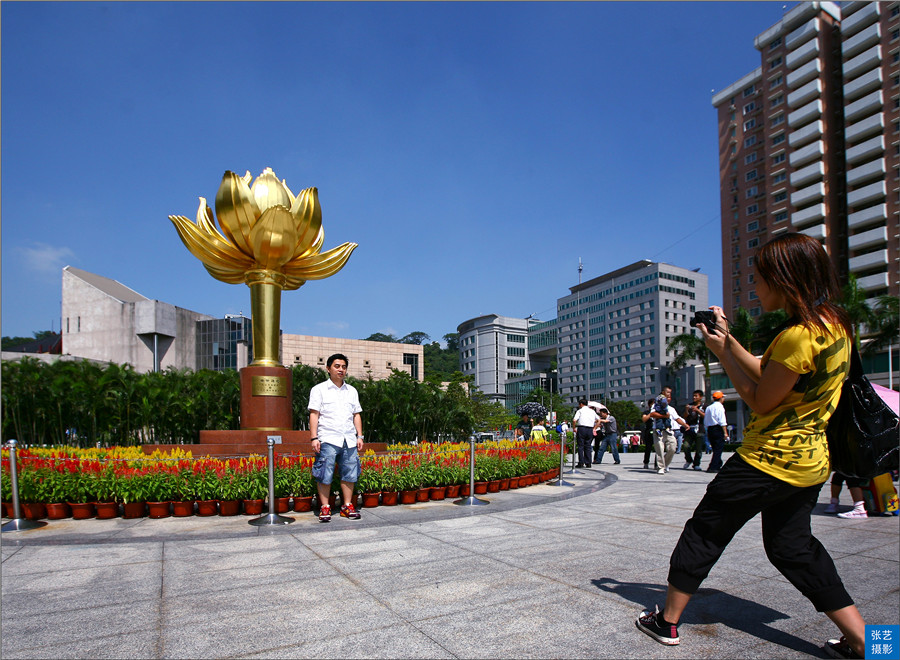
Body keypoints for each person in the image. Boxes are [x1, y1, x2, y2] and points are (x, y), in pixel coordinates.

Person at [635, 233, 866, 659]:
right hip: (811, 461)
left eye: (760, 278)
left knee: (705, 532)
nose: (755, 287)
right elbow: (768, 368)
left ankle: (666, 621)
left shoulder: (797, 335)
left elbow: (760, 398)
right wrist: (727, 343)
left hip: (765, 460)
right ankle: (869, 643)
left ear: (786, 279)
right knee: (793, 547)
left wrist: (722, 355)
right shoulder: (836, 324)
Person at [308, 353, 364, 522]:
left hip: (349, 438)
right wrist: (314, 438)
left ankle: (347, 506)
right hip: (328, 439)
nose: (341, 370)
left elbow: (356, 415)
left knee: (350, 473)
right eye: (337, 366)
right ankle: (325, 507)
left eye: (344, 367)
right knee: (325, 472)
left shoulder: (352, 391)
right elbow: (314, 414)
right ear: (328, 368)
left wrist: (359, 436)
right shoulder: (319, 389)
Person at [645, 386, 689, 474]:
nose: (669, 396)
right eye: (668, 393)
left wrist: (684, 425)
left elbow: (677, 418)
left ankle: (664, 464)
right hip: (658, 430)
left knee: (673, 447)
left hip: (669, 430)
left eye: (670, 394)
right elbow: (652, 414)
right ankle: (661, 467)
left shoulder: (671, 409)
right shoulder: (656, 405)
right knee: (660, 448)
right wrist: (664, 416)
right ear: (663, 393)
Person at [704, 391, 729, 472]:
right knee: (718, 449)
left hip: (710, 429)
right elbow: (722, 421)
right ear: (721, 398)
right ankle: (713, 466)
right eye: (723, 397)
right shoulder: (720, 407)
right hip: (718, 429)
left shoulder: (709, 407)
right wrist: (725, 433)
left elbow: (706, 421)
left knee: (715, 448)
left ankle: (718, 463)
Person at [681, 390, 706, 471]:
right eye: (693, 396)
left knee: (698, 449)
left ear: (701, 397)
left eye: (696, 396)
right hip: (690, 429)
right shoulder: (690, 405)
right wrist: (686, 410)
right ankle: (688, 460)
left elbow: (706, 416)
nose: (694, 397)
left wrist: (698, 410)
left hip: (700, 429)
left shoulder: (704, 406)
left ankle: (696, 464)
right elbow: (685, 417)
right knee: (685, 445)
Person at [572, 398, 600, 468]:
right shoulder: (592, 411)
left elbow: (574, 420)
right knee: (588, 446)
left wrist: (574, 428)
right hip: (590, 429)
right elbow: (599, 420)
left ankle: (581, 462)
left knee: (581, 446)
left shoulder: (580, 411)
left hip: (582, 428)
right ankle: (588, 462)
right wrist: (595, 428)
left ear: (581, 404)